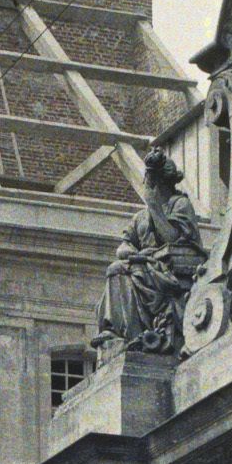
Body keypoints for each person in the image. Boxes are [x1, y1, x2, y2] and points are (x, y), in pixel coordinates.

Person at [93, 141, 205, 357]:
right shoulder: (139, 218)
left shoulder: (180, 204)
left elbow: (172, 238)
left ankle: (129, 332)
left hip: (168, 269)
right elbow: (123, 246)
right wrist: (135, 255)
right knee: (117, 268)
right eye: (148, 181)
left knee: (121, 271)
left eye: (154, 182)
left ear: (164, 182)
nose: (150, 186)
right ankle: (118, 331)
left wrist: (154, 207)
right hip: (145, 265)